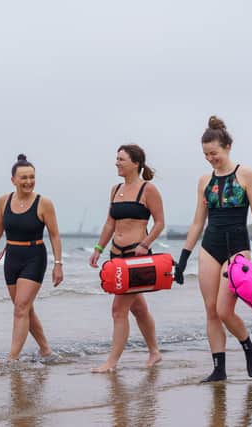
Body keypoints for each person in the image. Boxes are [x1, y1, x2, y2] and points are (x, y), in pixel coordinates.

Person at [174, 116, 252, 382]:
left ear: (227, 146)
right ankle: (219, 369)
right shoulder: (204, 180)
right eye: (206, 155)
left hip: (238, 246)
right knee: (211, 310)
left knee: (225, 310)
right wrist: (182, 259)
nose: (210, 159)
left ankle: (248, 345)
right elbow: (197, 222)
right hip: (210, 245)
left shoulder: (246, 174)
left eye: (213, 153)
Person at [0, 154, 63, 360]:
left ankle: (11, 359)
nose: (28, 182)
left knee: (21, 307)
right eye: (23, 178)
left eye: (32, 177)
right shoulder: (3, 201)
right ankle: (45, 349)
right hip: (12, 258)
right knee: (24, 309)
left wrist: (58, 264)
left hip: (34, 257)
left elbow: (55, 235)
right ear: (13, 180)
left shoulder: (44, 203)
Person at [89, 144, 165, 373]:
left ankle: (111, 362)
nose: (117, 163)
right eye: (117, 158)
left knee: (118, 309)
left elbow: (160, 222)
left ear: (136, 163)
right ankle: (154, 352)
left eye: (121, 159)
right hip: (116, 255)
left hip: (137, 255)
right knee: (138, 308)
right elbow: (110, 223)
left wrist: (145, 244)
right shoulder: (115, 189)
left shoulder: (148, 190)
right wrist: (98, 249)